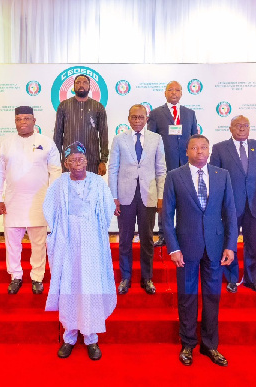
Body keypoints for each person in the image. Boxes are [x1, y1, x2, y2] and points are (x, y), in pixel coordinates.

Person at [163, 134, 237, 367]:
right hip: (186, 248)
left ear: (209, 150)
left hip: (215, 248)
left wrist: (230, 245)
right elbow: (166, 216)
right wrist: (173, 247)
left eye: (204, 147)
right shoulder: (175, 177)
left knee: (212, 297)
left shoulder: (222, 175)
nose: (200, 151)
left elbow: (230, 213)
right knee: (187, 297)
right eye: (194, 148)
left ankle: (210, 345)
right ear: (187, 152)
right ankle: (187, 343)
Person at [43, 142, 116, 361]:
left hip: (92, 242)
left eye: (81, 159)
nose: (77, 164)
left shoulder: (97, 182)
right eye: (72, 160)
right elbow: (50, 212)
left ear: (87, 161)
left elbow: (106, 211)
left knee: (91, 287)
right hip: (68, 243)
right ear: (65, 163)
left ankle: (91, 338)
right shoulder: (58, 185)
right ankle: (70, 336)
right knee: (70, 286)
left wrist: (93, 231)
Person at [0, 106, 62, 295]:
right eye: (19, 119)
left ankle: (37, 277)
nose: (22, 122)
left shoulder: (46, 143)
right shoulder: (6, 144)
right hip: (13, 201)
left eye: (26, 119)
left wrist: (53, 197)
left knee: (38, 242)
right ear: (15, 121)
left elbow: (55, 171)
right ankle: (15, 275)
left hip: (39, 201)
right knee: (12, 242)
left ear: (34, 120)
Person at [209, 115, 256, 293]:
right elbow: (214, 178)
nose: (242, 128)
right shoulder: (220, 148)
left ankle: (251, 280)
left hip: (255, 204)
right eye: (238, 125)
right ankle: (231, 278)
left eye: (245, 125)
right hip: (229, 205)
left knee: (252, 243)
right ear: (230, 128)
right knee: (229, 242)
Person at [108, 104, 166, 295]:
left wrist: (160, 196)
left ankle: (147, 278)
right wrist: (114, 196)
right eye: (134, 117)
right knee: (124, 238)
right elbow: (113, 169)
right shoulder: (119, 139)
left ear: (146, 119)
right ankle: (125, 277)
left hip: (148, 196)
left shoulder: (156, 139)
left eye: (141, 117)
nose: (137, 121)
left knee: (147, 238)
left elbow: (161, 169)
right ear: (128, 118)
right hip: (125, 195)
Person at [148, 81, 198, 247]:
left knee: (187, 201)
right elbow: (151, 140)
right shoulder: (155, 114)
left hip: (186, 166)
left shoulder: (189, 114)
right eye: (171, 90)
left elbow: (194, 139)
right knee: (165, 202)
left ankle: (186, 234)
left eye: (177, 90)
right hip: (164, 165)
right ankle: (163, 235)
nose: (174, 93)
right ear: (165, 93)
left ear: (182, 93)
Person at [53, 74, 109, 175]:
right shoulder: (64, 106)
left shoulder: (98, 107)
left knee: (90, 189)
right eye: (78, 82)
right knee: (69, 189)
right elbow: (58, 134)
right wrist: (56, 159)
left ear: (89, 86)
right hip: (69, 160)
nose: (81, 85)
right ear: (74, 87)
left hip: (92, 161)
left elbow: (103, 135)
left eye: (84, 82)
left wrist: (103, 160)